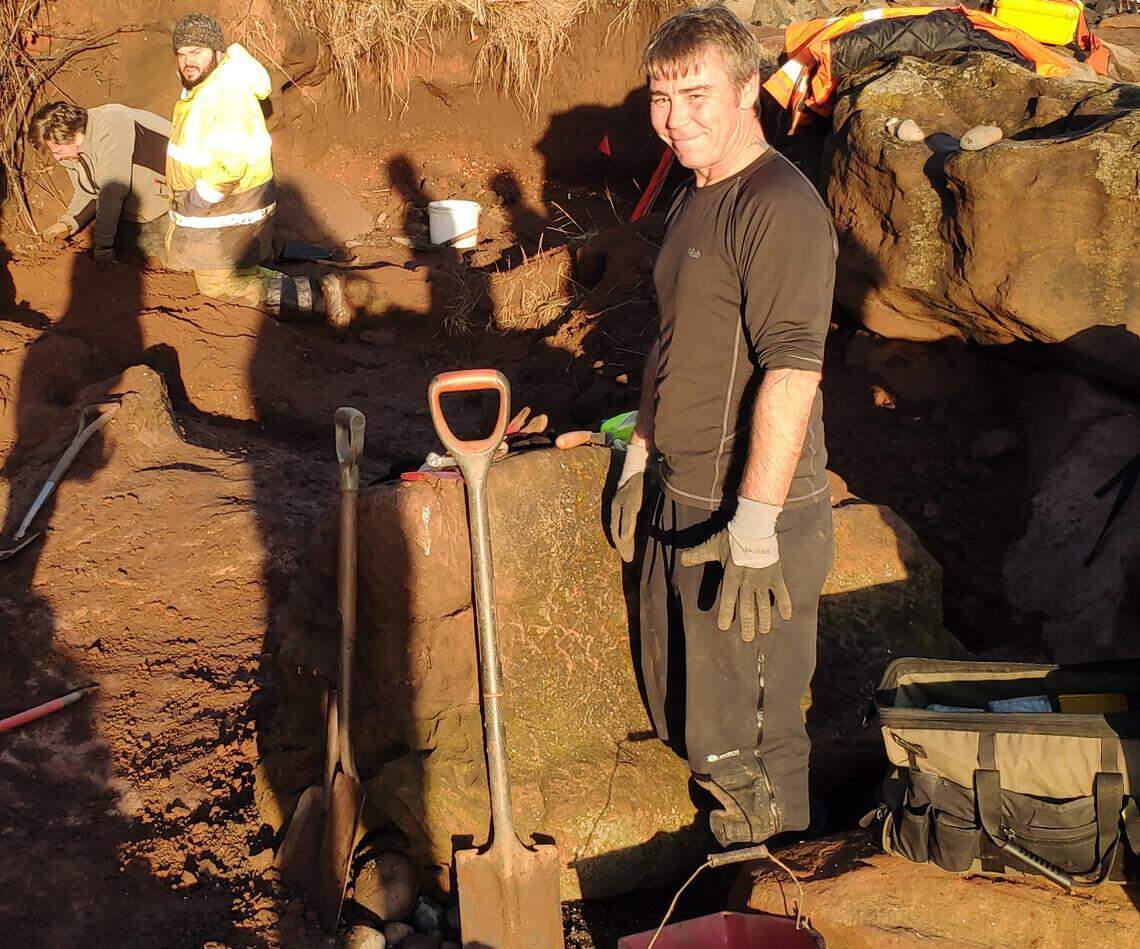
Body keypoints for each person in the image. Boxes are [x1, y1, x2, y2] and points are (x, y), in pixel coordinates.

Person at [609, 4, 837, 847]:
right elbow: (668, 340)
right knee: (693, 717)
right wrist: (640, 455)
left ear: (749, 90)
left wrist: (755, 530)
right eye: (661, 96)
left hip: (751, 520)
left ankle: (770, 895)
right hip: (683, 495)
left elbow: (794, 370)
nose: (676, 117)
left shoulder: (779, 205)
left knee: (755, 744)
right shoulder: (694, 194)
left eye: (697, 94)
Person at [166, 13, 351, 332]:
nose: (187, 61)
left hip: (228, 206)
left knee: (220, 285)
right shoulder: (209, 85)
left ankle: (319, 298)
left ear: (217, 51)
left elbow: (230, 164)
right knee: (241, 272)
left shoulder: (224, 92)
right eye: (181, 54)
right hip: (229, 205)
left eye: (195, 52)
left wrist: (197, 198)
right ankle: (312, 289)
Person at [29, 101, 172, 268]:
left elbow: (112, 191)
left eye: (59, 152)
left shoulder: (112, 122)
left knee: (169, 260)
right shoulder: (72, 152)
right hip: (136, 211)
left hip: (174, 201)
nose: (57, 158)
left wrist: (103, 246)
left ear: (76, 136)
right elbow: (89, 192)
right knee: (129, 253)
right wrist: (67, 224)